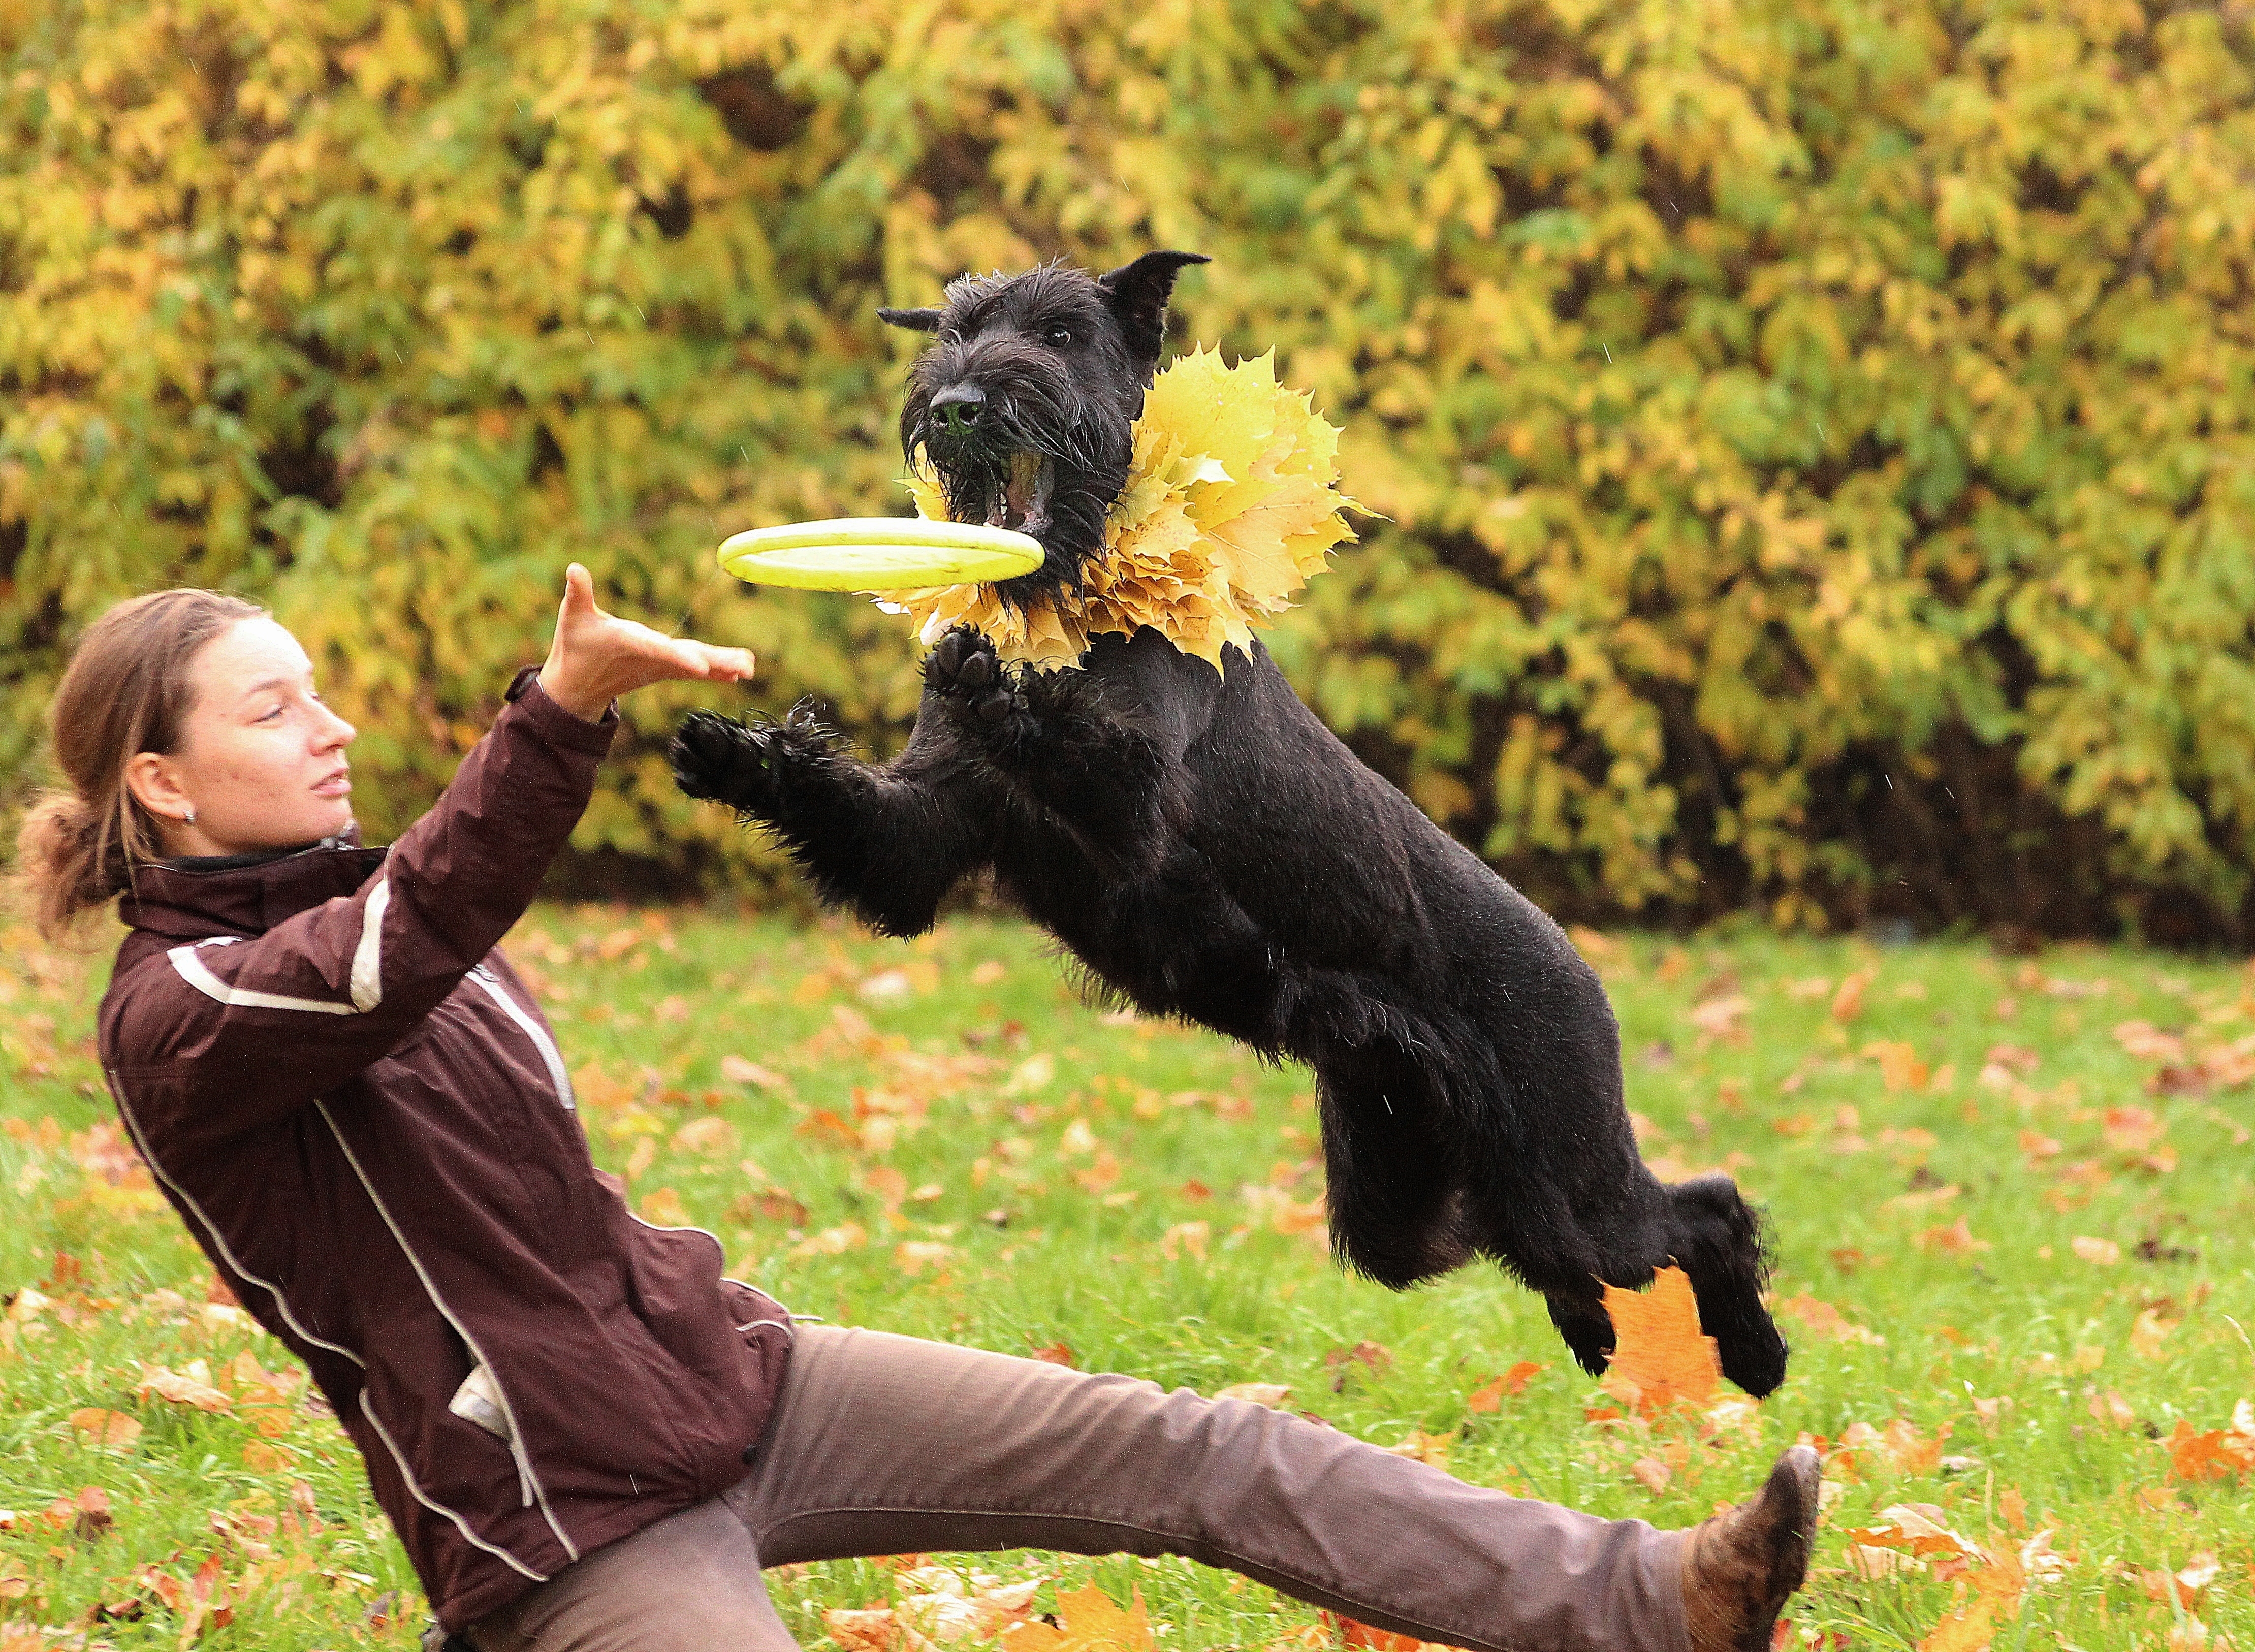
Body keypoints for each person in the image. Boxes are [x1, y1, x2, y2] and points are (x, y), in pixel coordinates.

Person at [14, 569, 1819, 1652]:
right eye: (276, 708)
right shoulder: (184, 1017)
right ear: (162, 786)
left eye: (321, 689)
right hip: (574, 1519)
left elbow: (421, 973)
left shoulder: (359, 916)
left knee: (1202, 1450)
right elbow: (393, 952)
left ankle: (1653, 1605)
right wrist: (558, 716)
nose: (326, 726)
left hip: (736, 1384)